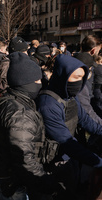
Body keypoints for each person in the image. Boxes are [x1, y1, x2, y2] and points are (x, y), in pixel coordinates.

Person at [0, 52, 65, 200]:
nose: (41, 83)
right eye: (38, 80)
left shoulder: (7, 97)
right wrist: (50, 184)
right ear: (25, 82)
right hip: (7, 181)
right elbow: (25, 160)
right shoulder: (21, 115)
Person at [36, 54, 102, 198]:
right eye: (76, 77)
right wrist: (98, 161)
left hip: (69, 156)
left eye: (82, 78)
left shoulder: (71, 96)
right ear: (63, 75)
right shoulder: (48, 104)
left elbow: (85, 120)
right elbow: (65, 141)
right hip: (54, 160)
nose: (80, 82)